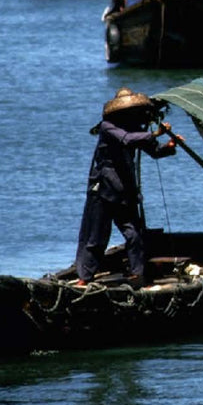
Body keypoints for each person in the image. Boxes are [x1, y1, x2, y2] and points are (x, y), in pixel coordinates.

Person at [73, 88, 181, 287]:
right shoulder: (107, 127)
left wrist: (169, 146)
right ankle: (85, 277)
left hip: (124, 191)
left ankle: (137, 275)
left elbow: (154, 151)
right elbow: (127, 139)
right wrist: (154, 133)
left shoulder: (134, 128)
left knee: (134, 235)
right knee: (96, 237)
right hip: (104, 189)